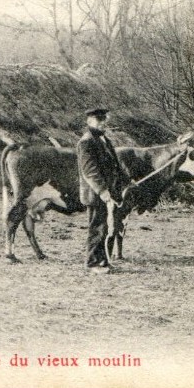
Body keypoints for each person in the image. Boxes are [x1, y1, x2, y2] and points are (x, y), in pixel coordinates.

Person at [77, 108, 128, 274]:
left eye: (104, 120)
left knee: (106, 228)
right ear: (89, 122)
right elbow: (89, 171)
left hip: (109, 192)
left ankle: (104, 261)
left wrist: (127, 181)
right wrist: (102, 191)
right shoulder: (86, 142)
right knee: (97, 228)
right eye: (99, 120)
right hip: (96, 194)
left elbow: (115, 165)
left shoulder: (104, 139)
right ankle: (92, 263)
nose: (103, 123)